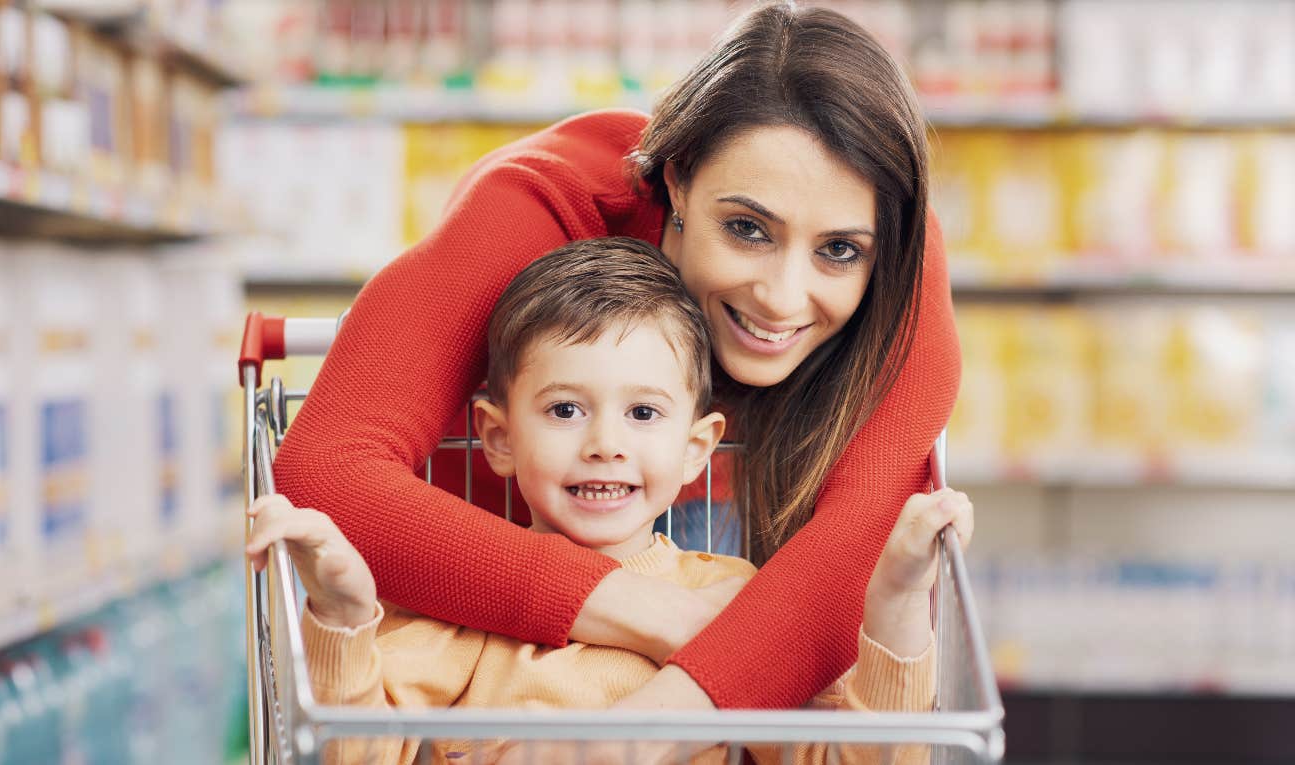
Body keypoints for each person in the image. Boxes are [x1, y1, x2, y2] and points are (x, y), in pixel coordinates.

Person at [272, 2, 960, 714]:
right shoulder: (542, 202)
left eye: (838, 250)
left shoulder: (902, 251)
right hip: (468, 549)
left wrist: (627, 733)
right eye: (748, 228)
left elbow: (854, 560)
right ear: (679, 177)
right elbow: (325, 470)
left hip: (714, 537)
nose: (783, 298)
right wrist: (672, 620)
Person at [247, 238, 974, 764]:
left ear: (698, 446)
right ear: (496, 437)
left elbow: (858, 759)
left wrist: (898, 607)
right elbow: (359, 752)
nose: (604, 443)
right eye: (565, 410)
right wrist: (341, 612)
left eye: (644, 414)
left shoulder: (735, 599)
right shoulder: (461, 620)